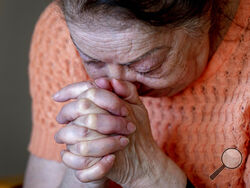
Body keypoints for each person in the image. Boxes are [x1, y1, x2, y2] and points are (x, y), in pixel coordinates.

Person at [23, 0, 249, 187]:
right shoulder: (63, 35)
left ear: (207, 16)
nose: (116, 85)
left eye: (146, 66)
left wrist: (148, 174)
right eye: (92, 62)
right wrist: (85, 164)